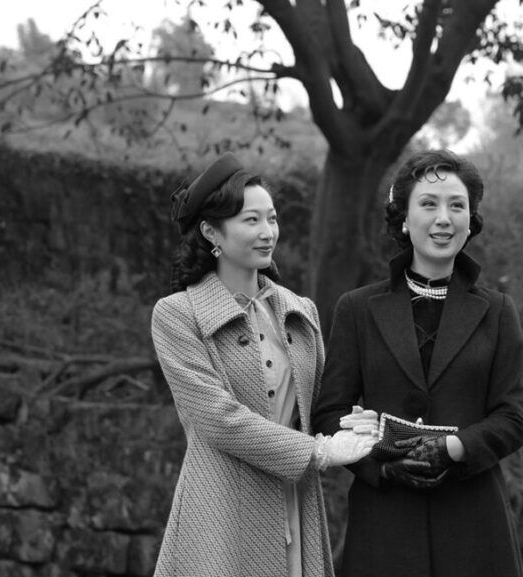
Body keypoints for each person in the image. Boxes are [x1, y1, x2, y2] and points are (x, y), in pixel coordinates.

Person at [150, 153, 379, 577]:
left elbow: (320, 408)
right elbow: (217, 419)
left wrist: (356, 424)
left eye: (271, 219)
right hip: (221, 511)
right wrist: (319, 451)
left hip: (296, 503)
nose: (267, 232)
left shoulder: (300, 311)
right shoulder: (177, 314)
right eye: (251, 220)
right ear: (211, 231)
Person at [312, 149, 523, 577]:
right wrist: (379, 461)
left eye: (456, 206)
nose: (443, 218)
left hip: (474, 522)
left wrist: (453, 448)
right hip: (384, 521)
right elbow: (329, 413)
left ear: (470, 220)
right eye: (429, 204)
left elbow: (512, 419)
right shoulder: (356, 308)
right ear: (404, 219)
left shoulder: (499, 311)